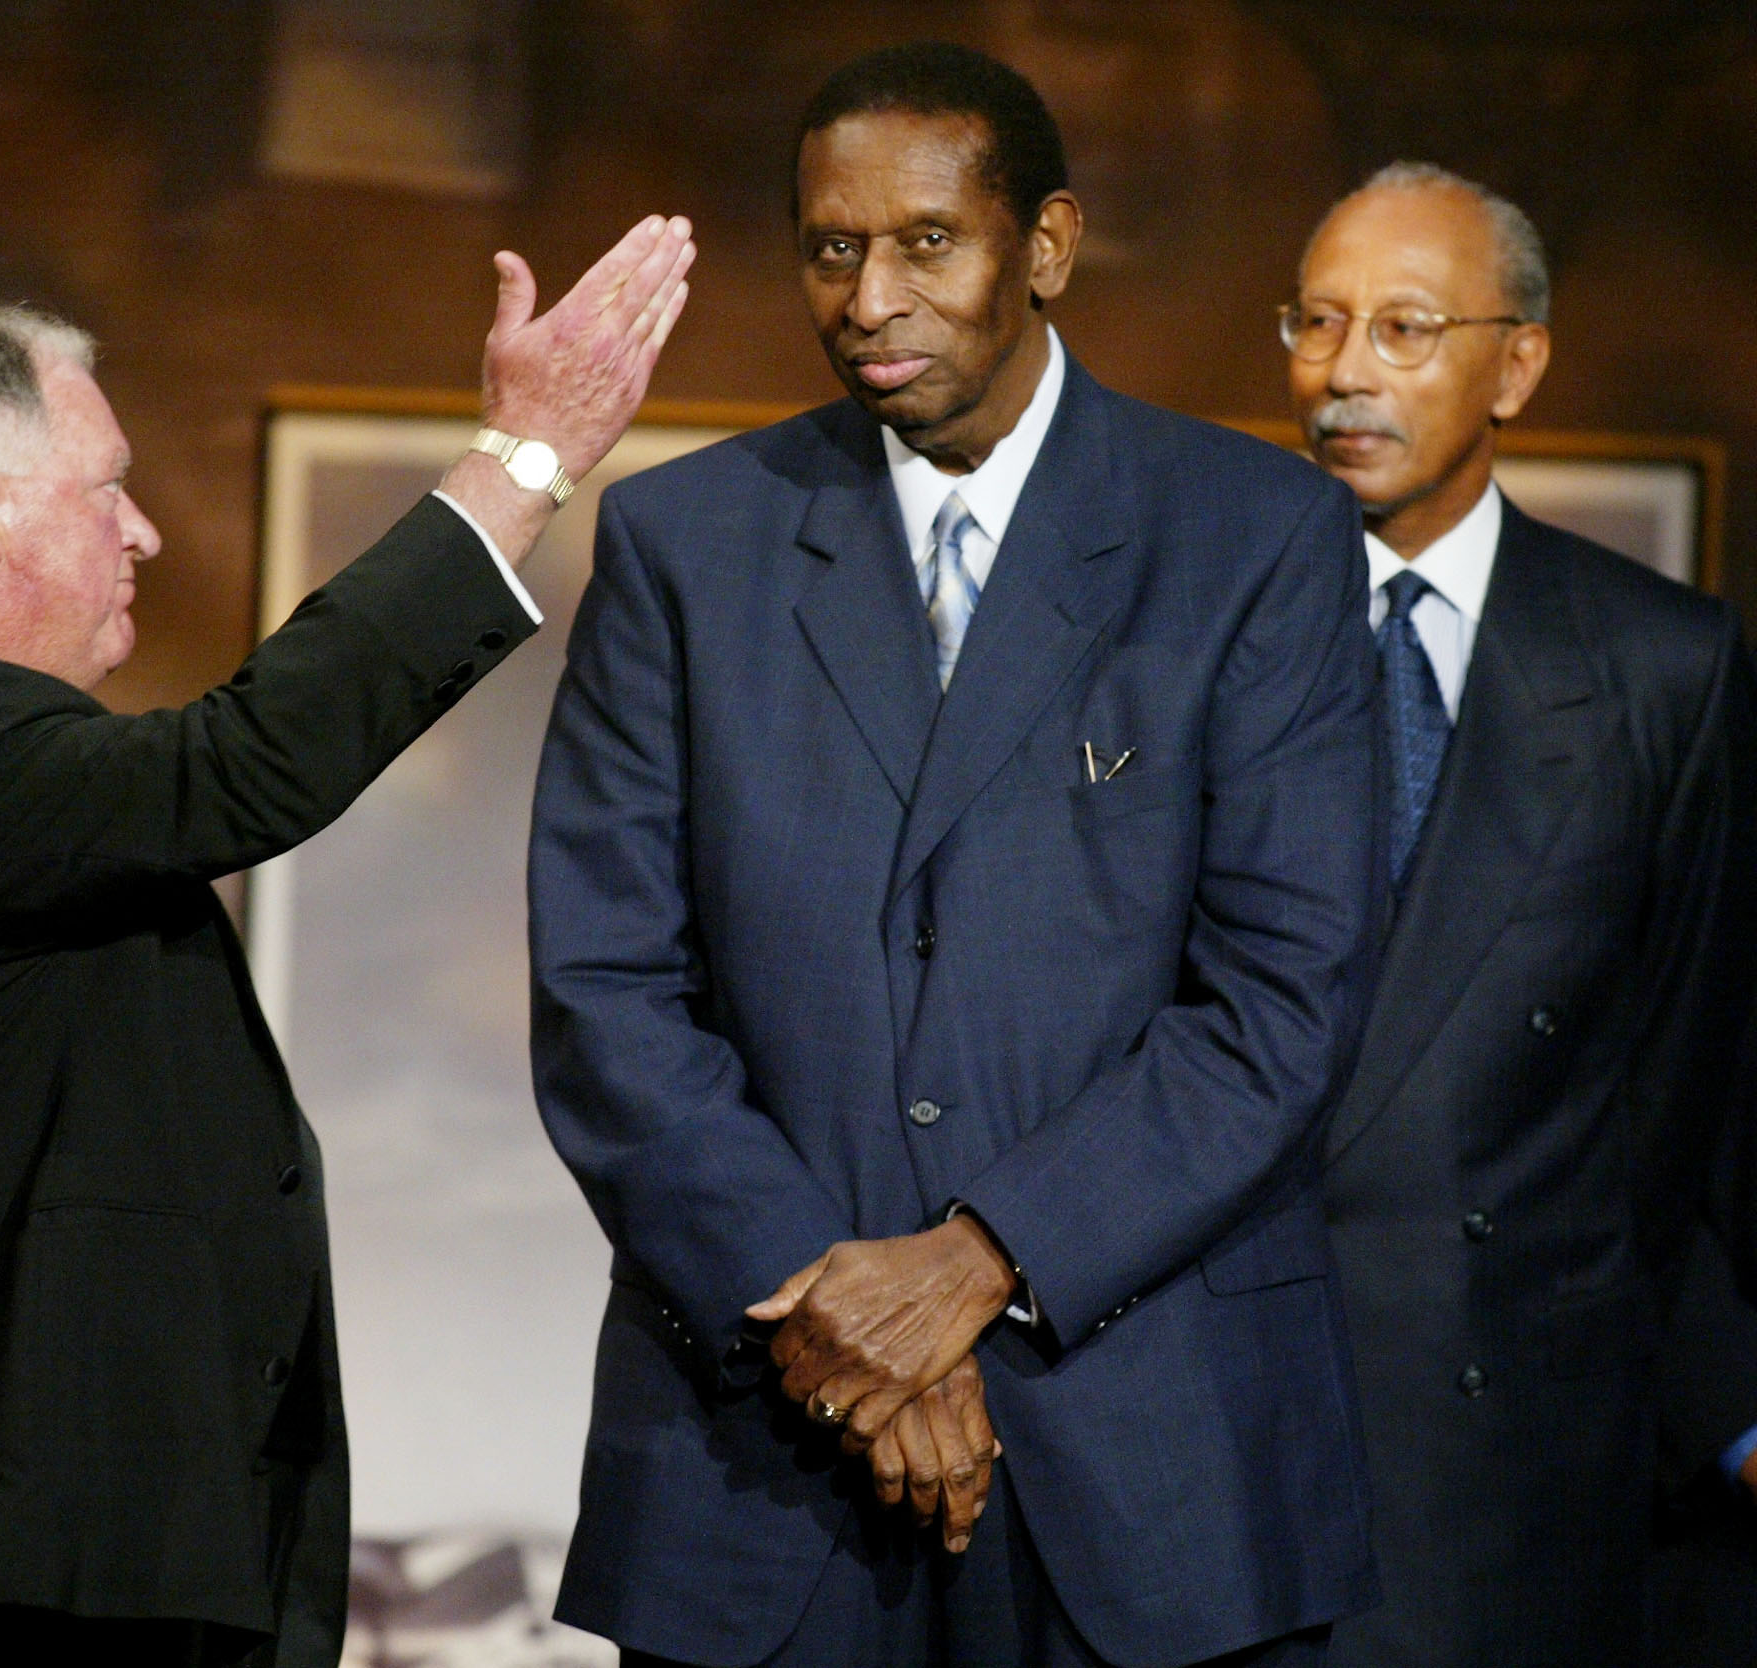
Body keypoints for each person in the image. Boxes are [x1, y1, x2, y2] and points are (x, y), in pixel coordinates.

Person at [0, 214, 694, 1668]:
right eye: (110, 489)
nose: (142, 530)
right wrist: (524, 463)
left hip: (20, 1562)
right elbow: (235, 771)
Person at [529, 42, 1383, 1668]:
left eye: (928, 242)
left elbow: (1284, 996)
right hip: (760, 1459)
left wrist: (984, 1261)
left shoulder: (1252, 538)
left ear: (1044, 245)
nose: (869, 298)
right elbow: (606, 991)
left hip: (1151, 1454)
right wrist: (834, 1315)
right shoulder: (682, 545)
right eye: (832, 249)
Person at [1282, 161, 1757, 1668]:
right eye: (1317, 323)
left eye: (1407, 328)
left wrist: (1717, 1401)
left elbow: (1691, 1087)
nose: (1348, 369)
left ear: (1520, 362)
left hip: (1520, 1458)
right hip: (1227, 1426)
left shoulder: (1659, 669)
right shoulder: (1183, 636)